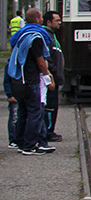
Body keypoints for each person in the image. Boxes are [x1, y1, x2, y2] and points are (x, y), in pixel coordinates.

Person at [6, 8, 55, 155]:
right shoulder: (36, 37)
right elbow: (40, 61)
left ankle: (20, 142)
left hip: (18, 79)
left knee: (23, 111)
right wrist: (47, 74)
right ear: (38, 19)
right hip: (31, 79)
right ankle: (30, 145)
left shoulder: (21, 35)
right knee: (35, 112)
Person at [42, 10, 64, 142]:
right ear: (48, 22)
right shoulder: (46, 36)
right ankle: (48, 131)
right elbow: (47, 57)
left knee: (52, 104)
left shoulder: (51, 35)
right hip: (51, 78)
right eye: (57, 21)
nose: (59, 23)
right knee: (50, 105)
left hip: (54, 76)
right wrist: (54, 72)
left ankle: (49, 130)